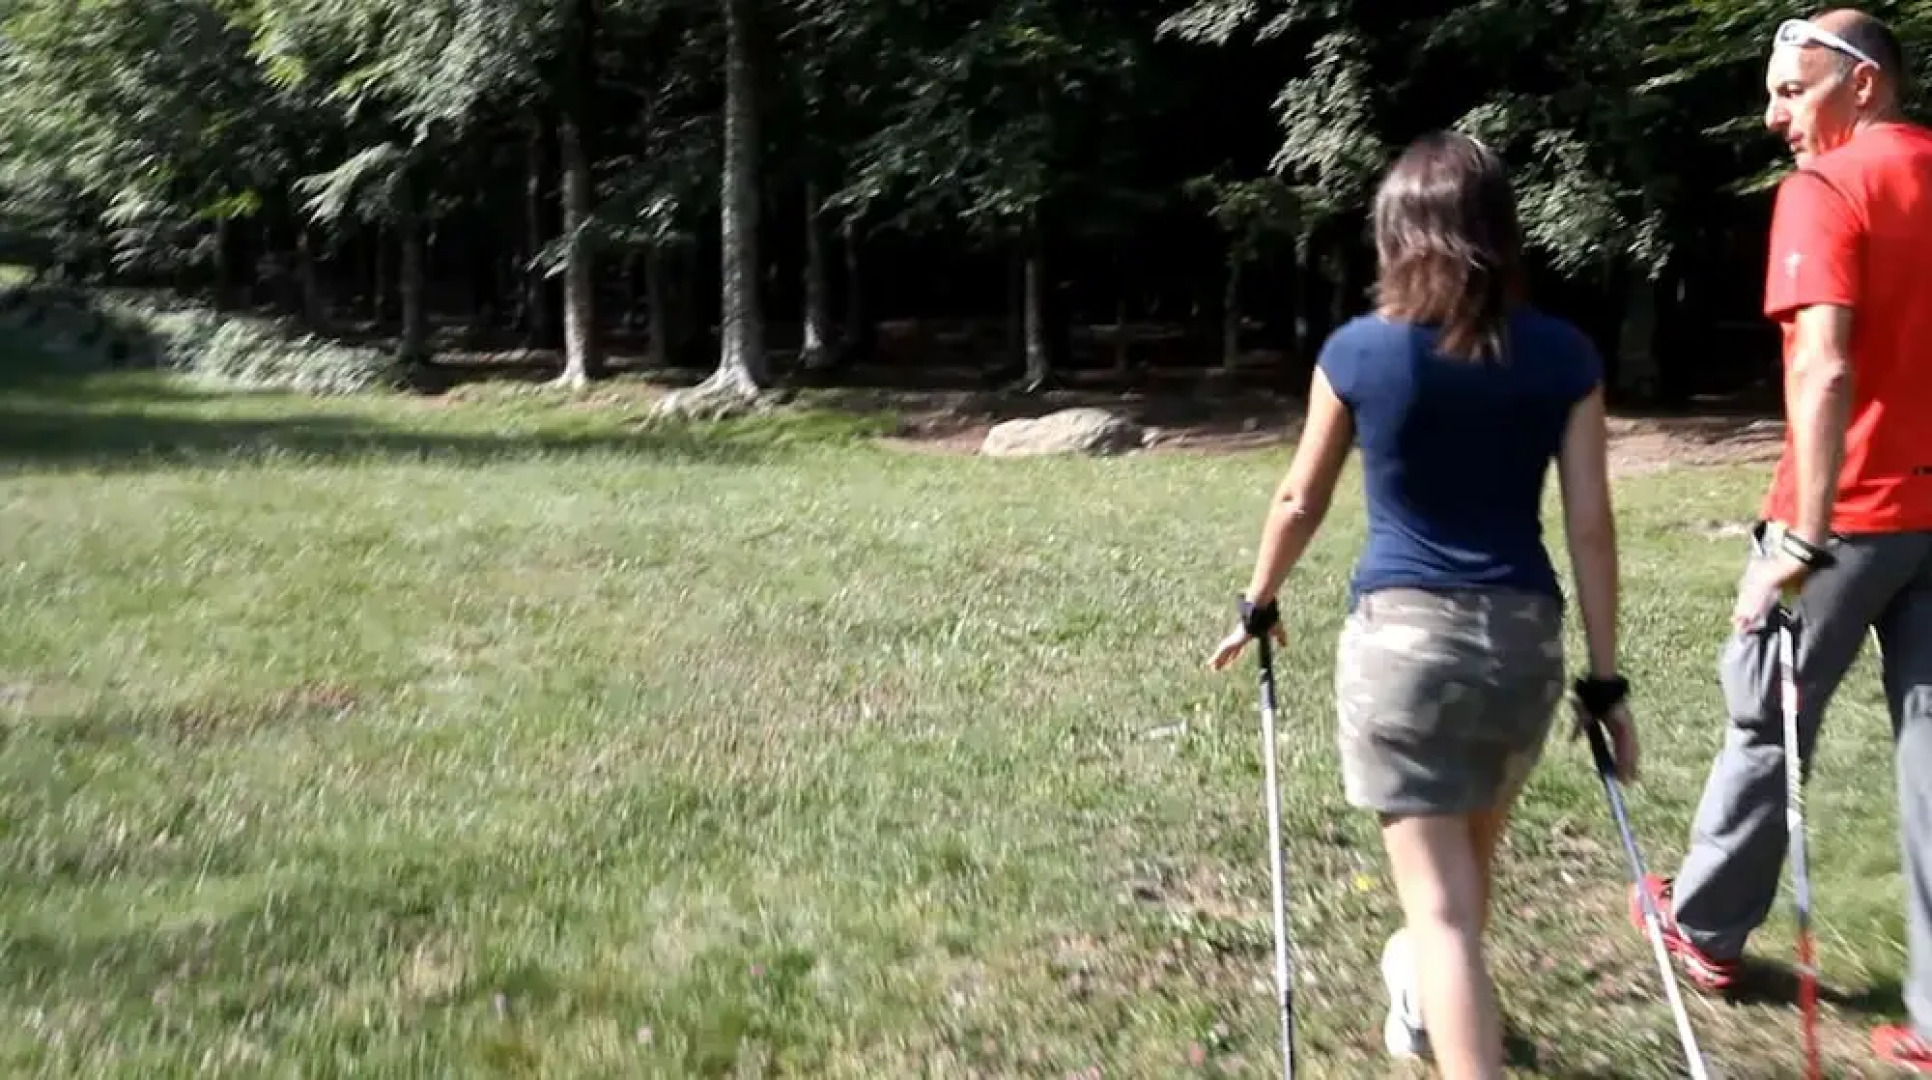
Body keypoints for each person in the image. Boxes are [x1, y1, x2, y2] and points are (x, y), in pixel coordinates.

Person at [1206, 130, 1634, 1080]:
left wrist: (1257, 600)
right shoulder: (1564, 354)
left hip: (1402, 651)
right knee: (1461, 889)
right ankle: (1416, 998)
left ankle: (1448, 1032)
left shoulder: (1359, 352)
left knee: (1440, 912)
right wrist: (1606, 684)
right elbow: (1591, 525)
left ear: (1397, 235)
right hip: (1523, 648)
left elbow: (1298, 499)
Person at [1630, 9, 1932, 1072]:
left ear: (1862, 85)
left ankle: (1705, 931)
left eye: (1792, 91)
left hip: (1847, 516)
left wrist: (1799, 536)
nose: (1774, 117)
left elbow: (1823, 368)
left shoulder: (1827, 189)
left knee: (1765, 719)